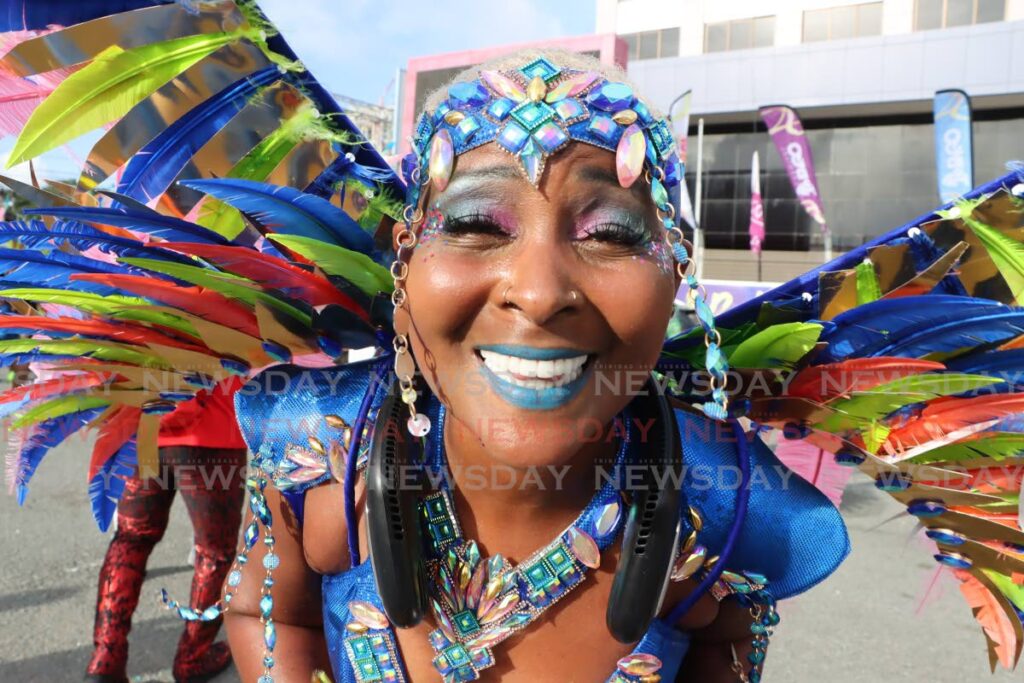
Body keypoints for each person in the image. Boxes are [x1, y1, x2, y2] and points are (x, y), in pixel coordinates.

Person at [0, 4, 1021, 681]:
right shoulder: (320, 451)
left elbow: (728, 649)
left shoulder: (726, 497)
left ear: (675, 284)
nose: (535, 290)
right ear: (404, 267)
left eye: (613, 234)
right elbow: (275, 612)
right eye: (478, 226)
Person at [86, 379, 247, 683]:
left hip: (139, 426)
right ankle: (193, 659)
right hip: (208, 431)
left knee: (130, 539)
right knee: (215, 551)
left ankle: (105, 660)